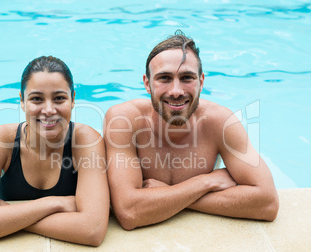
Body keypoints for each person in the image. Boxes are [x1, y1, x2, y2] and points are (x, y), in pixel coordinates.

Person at [104, 31, 279, 231]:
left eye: (187, 77)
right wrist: (205, 182)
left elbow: (267, 203)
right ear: (147, 83)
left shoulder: (220, 121)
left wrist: (167, 195)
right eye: (164, 78)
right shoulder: (124, 120)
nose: (176, 91)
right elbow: (129, 212)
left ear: (201, 82)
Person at [0, 56, 109, 246]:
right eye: (36, 99)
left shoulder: (85, 141)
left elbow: (92, 230)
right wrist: (55, 203)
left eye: (59, 98)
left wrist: (4, 218)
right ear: (22, 101)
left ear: (73, 99)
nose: (49, 110)